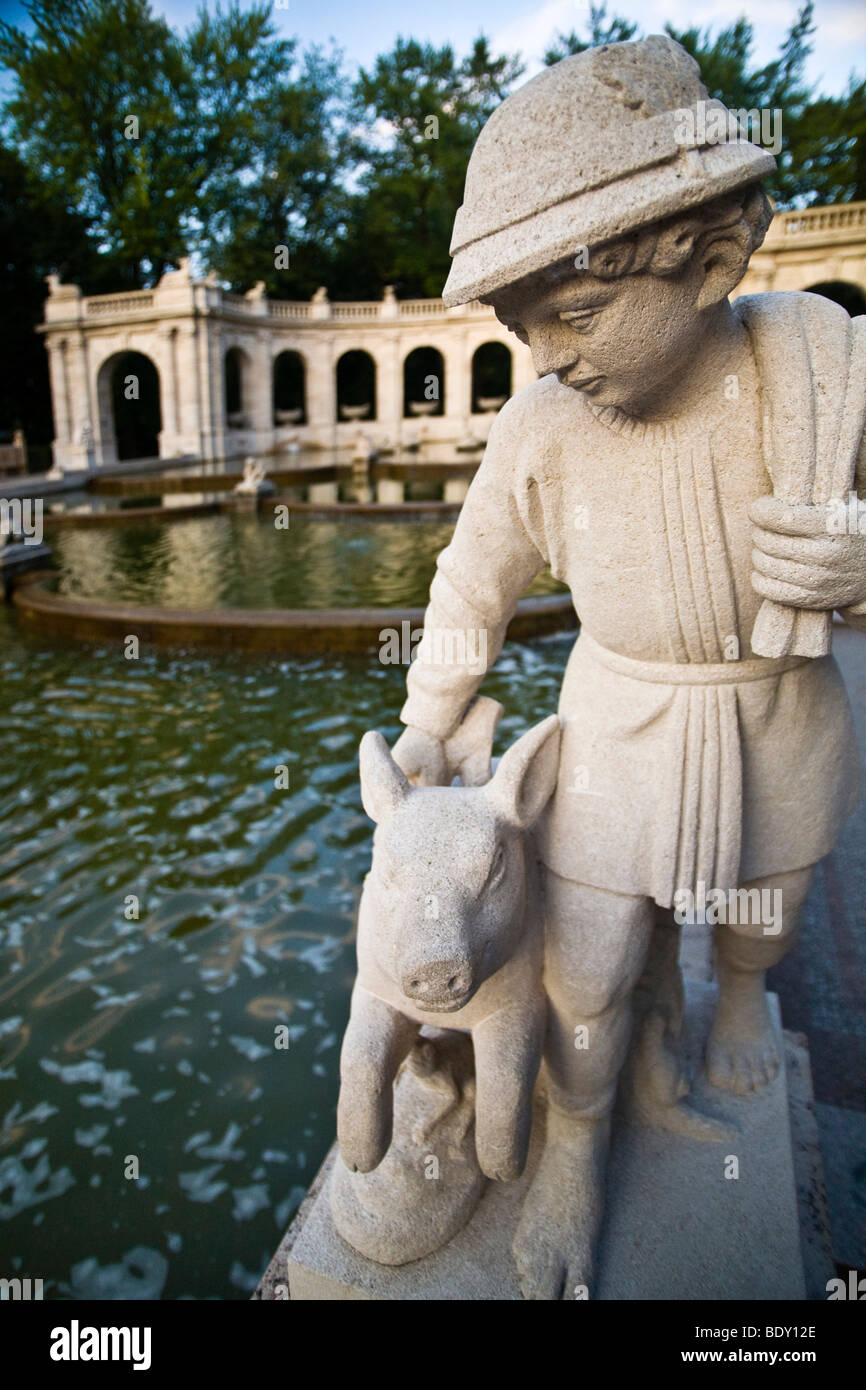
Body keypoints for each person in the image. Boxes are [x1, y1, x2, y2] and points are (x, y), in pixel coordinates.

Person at [390, 35, 866, 1298]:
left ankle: (727, 1008)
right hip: (613, 725)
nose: (545, 354)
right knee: (585, 961)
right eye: (521, 326)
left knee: (763, 906)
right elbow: (469, 583)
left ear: (704, 255)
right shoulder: (542, 422)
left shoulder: (806, 371)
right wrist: (428, 721)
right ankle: (576, 1139)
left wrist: (857, 566)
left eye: (576, 312)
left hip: (775, 715)